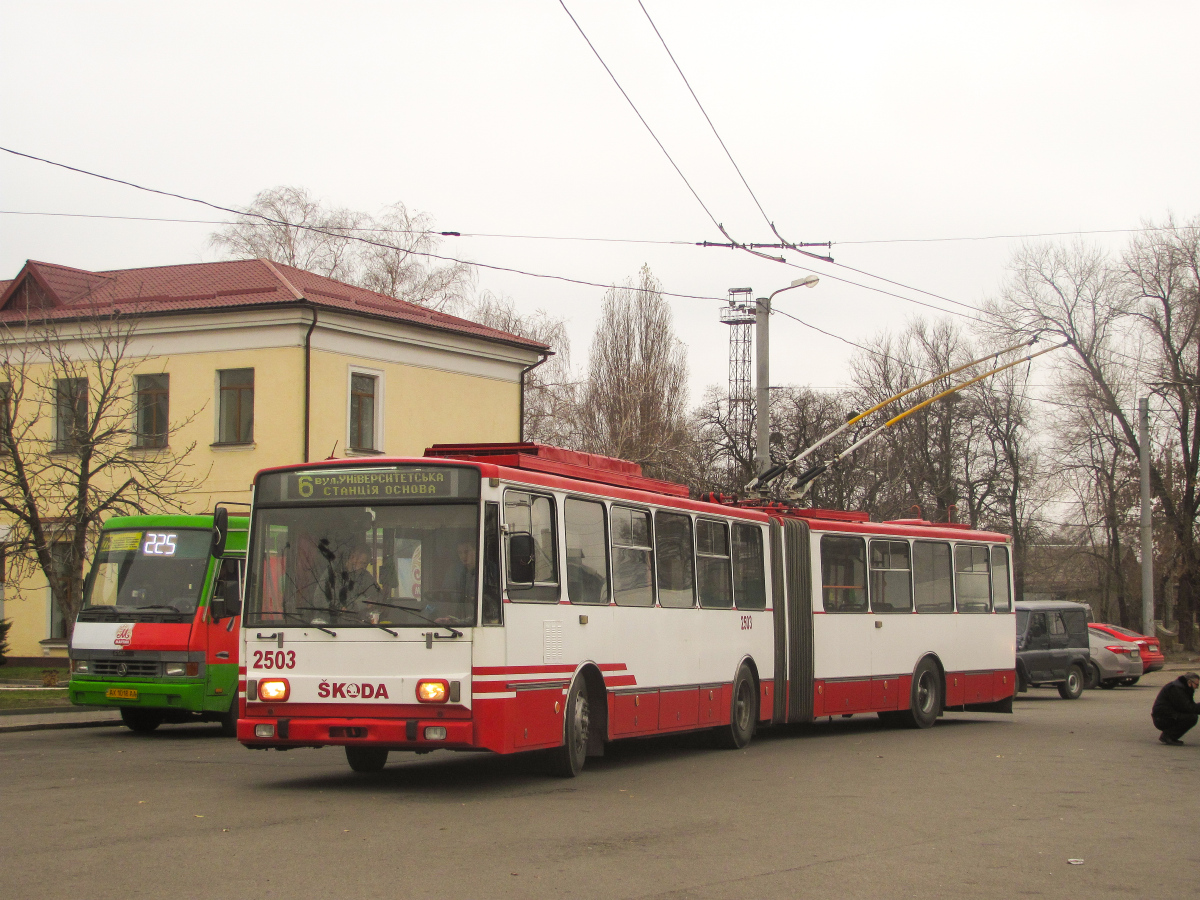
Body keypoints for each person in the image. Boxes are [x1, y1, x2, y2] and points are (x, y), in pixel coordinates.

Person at [1151, 671, 1200, 745]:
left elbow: (1189, 705)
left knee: (1191, 716)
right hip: (1162, 718)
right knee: (1192, 717)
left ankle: (1170, 736)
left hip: (1169, 714)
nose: (1197, 687)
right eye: (1196, 685)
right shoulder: (1176, 689)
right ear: (1190, 682)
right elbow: (1187, 707)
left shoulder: (1184, 688)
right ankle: (1168, 736)